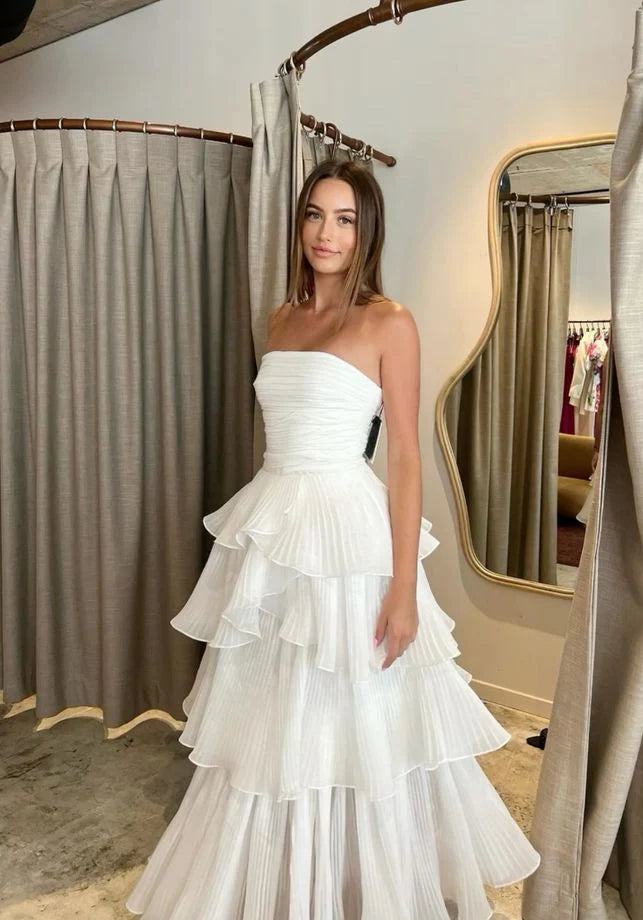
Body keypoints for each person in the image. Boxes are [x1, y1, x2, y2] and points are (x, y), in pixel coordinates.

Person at [126, 158, 540, 919]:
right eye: (315, 215)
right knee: (276, 713)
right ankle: (285, 875)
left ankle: (364, 879)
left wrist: (404, 589)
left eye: (345, 219)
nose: (326, 233)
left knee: (357, 716)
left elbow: (405, 456)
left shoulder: (389, 321)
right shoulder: (280, 319)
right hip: (275, 523)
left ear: (366, 232)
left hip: (347, 532)